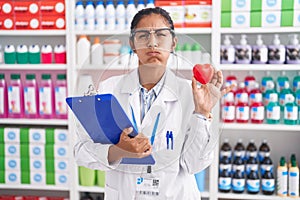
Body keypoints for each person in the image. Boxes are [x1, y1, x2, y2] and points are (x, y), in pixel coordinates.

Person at [74, 7, 233, 200]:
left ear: (173, 43)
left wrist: (202, 113)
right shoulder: (107, 89)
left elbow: (193, 165)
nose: (152, 43)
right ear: (132, 44)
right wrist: (117, 151)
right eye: (143, 36)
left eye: (161, 35)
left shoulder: (192, 93)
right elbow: (80, 151)